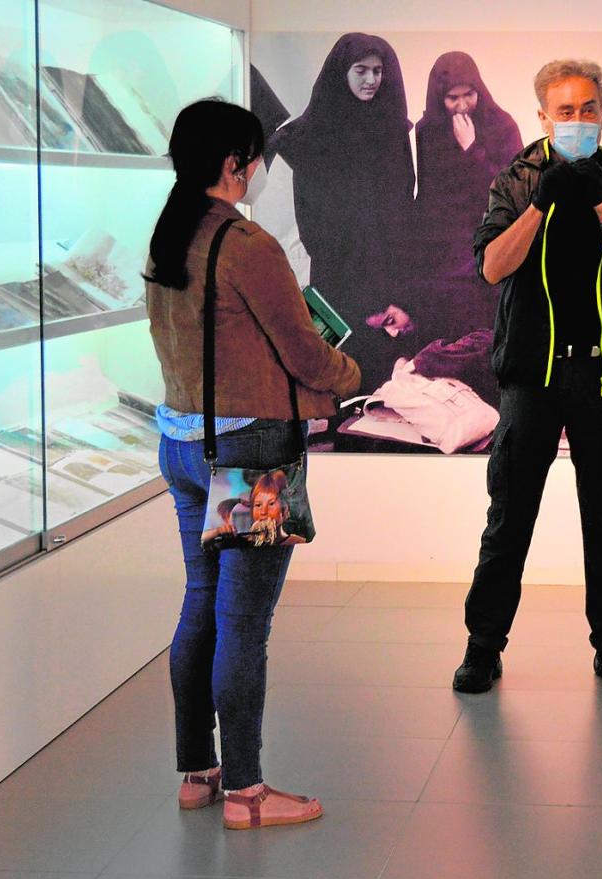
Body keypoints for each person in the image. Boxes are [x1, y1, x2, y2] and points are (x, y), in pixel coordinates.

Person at [145, 99, 361, 829]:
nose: (261, 169)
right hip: (249, 459)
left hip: (181, 445)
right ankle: (247, 792)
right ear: (235, 163)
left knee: (199, 602)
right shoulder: (247, 244)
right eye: (255, 157)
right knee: (243, 622)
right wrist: (347, 373)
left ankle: (196, 772)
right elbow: (303, 351)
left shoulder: (168, 237)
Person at [452, 59, 602, 694]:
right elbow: (492, 266)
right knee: (509, 516)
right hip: (532, 376)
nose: (578, 120)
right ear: (542, 117)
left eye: (588, 108)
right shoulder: (516, 178)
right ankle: (483, 647)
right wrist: (542, 204)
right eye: (564, 111)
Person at [270, 33, 414, 393]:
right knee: (336, 375)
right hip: (338, 274)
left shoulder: (392, 129)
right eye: (361, 70)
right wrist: (357, 291)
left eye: (378, 71)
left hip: (387, 269)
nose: (371, 80)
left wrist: (396, 289)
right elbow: (312, 216)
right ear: (341, 72)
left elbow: (402, 205)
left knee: (382, 386)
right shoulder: (312, 133)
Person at [412, 51, 523, 340]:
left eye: (469, 95)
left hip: (489, 245)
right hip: (444, 254)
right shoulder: (428, 130)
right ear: (439, 98)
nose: (462, 106)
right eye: (452, 98)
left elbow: (513, 193)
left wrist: (472, 149)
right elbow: (429, 195)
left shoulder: (502, 125)